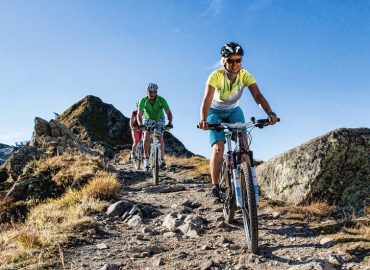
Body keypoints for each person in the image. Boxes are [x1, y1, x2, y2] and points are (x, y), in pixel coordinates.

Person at [198, 42, 278, 202]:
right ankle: (215, 187)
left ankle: (249, 183)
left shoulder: (245, 75)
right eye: (230, 60)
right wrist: (204, 119)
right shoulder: (216, 76)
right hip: (215, 113)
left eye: (238, 60)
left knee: (244, 147)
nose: (234, 64)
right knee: (218, 149)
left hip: (234, 111)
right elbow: (207, 99)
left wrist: (270, 112)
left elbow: (258, 96)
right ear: (223, 61)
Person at [137, 83, 173, 169]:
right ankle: (146, 158)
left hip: (159, 119)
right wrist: (141, 124)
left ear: (156, 92)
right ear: (147, 92)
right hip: (147, 119)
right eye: (150, 92)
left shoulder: (161, 100)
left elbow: (168, 112)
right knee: (146, 136)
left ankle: (162, 160)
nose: (152, 94)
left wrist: (169, 122)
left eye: (154, 92)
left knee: (160, 137)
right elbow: (139, 114)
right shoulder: (143, 100)